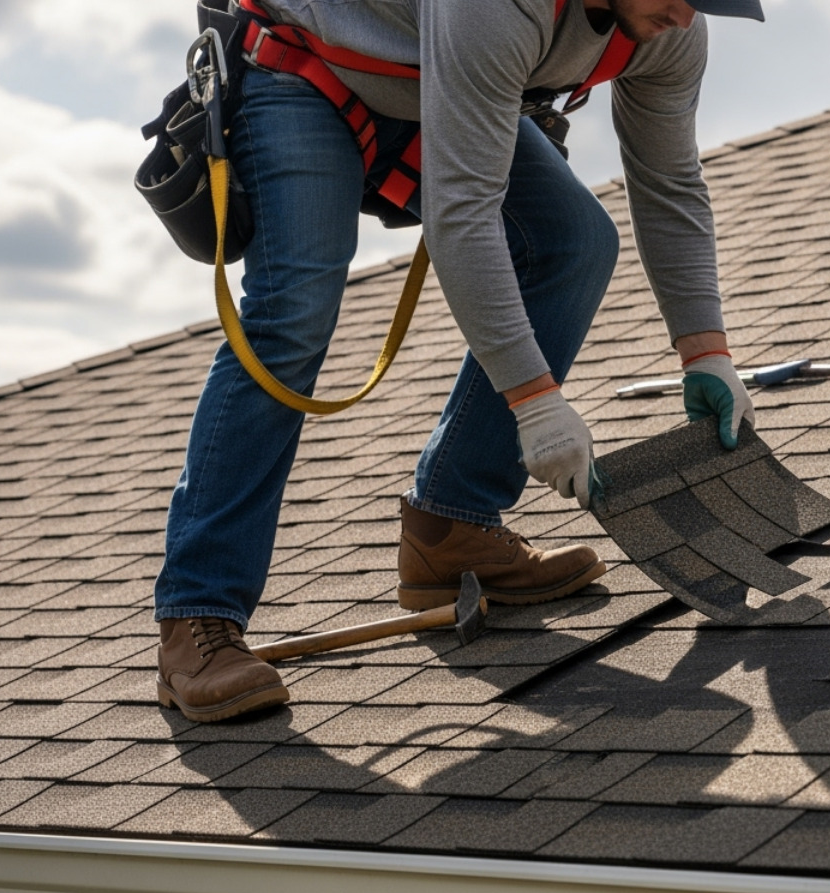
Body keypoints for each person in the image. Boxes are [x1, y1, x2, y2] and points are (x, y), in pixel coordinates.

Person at [153, 0, 763, 722]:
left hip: (437, 78)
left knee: (573, 242)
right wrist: (535, 403)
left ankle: (452, 530)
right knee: (293, 311)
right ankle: (197, 616)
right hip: (306, 65)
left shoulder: (671, 30)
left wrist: (707, 352)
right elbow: (463, 211)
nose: (687, 14)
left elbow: (670, 184)